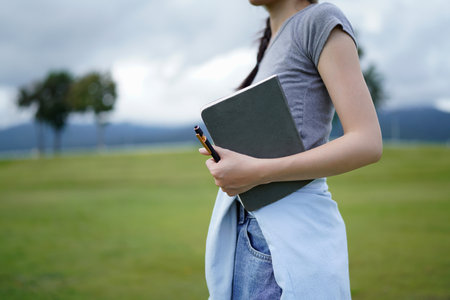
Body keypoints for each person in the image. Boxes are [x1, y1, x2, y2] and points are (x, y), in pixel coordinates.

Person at [199, 0, 382, 299]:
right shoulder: (271, 42)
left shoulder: (320, 19)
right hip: (249, 231)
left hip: (288, 235)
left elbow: (368, 142)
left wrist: (256, 172)